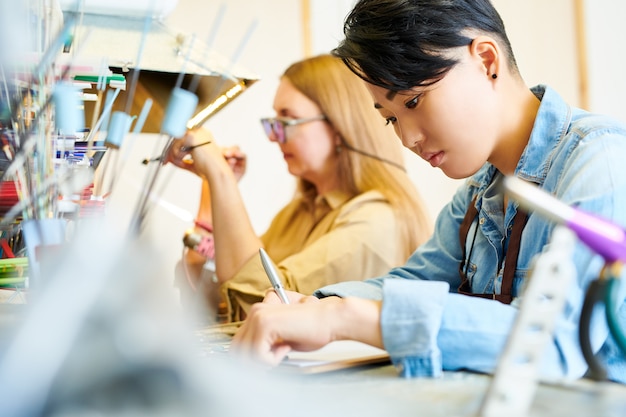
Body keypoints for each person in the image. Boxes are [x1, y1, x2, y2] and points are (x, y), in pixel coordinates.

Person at [231, 0, 626, 384]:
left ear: (486, 62)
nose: (409, 138)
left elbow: (556, 342)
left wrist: (345, 319)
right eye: (391, 120)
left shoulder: (601, 161)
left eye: (414, 101)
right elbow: (413, 282)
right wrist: (316, 305)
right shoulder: (481, 189)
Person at [166, 53, 432, 323]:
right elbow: (225, 295)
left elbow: (263, 304)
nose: (273, 137)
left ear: (339, 125)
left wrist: (219, 175)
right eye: (273, 124)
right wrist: (214, 187)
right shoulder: (296, 214)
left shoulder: (378, 220)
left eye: (286, 121)